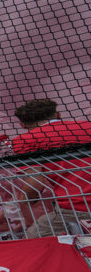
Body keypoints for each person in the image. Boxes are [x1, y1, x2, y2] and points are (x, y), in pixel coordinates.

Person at [10, 98, 91, 237]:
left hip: (76, 207)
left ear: (23, 125)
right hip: (79, 204)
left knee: (32, 242)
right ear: (58, 115)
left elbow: (34, 184)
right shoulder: (88, 126)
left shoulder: (24, 140)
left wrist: (26, 199)